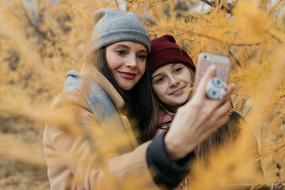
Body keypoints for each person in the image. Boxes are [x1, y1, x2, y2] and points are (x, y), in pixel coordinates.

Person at [43, 9, 235, 190]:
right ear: (97, 54)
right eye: (121, 52)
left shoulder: (125, 107)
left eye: (141, 56)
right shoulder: (72, 104)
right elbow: (98, 179)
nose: (133, 63)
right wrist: (169, 147)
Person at [149, 34, 242, 165]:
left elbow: (253, 180)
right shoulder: (148, 138)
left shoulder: (228, 122)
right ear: (151, 91)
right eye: (160, 79)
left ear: (191, 72)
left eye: (177, 70)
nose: (174, 82)